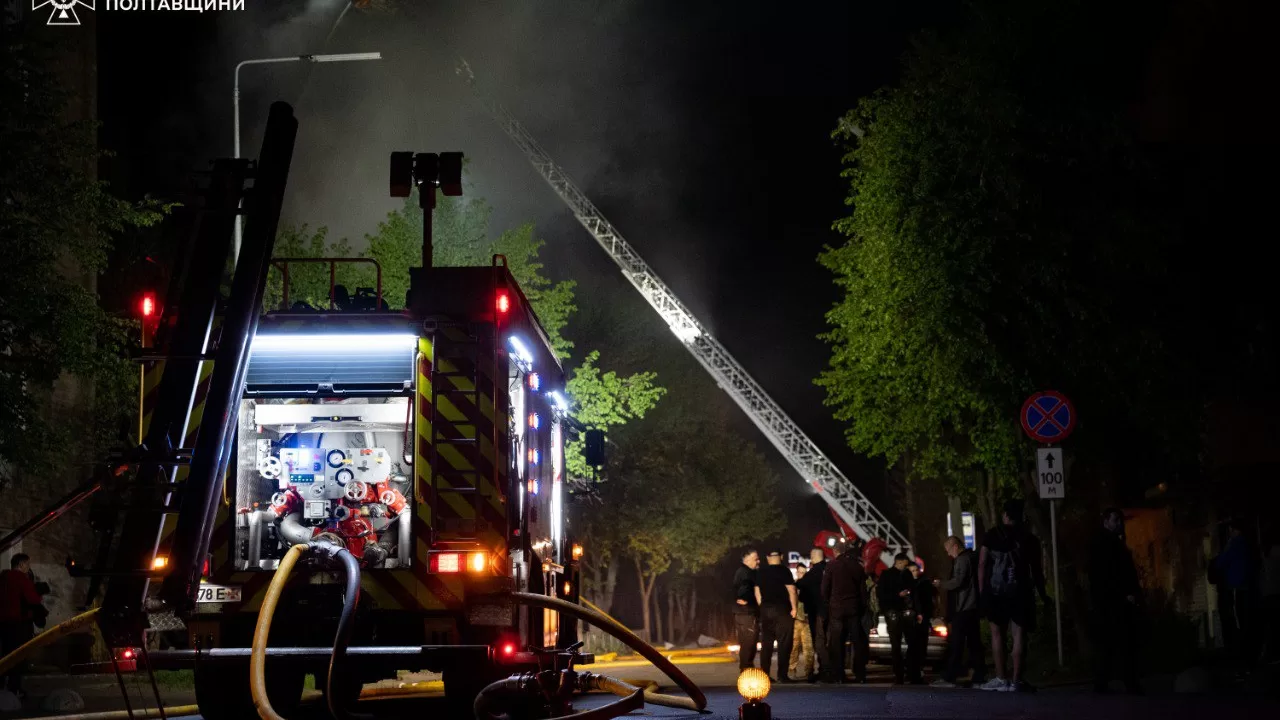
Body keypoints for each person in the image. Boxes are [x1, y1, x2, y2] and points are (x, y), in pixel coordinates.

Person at [978, 499, 1048, 693]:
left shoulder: (992, 535)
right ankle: (1017, 681)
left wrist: (982, 590)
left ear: (1005, 515)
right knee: (1019, 635)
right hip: (1020, 592)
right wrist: (1042, 594)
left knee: (997, 634)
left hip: (996, 592)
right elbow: (1037, 571)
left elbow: (982, 564)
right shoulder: (1030, 539)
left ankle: (1001, 678)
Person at [1088, 508, 1143, 694]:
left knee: (1112, 643)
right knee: (1119, 642)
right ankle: (1124, 682)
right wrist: (1124, 594)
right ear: (1106, 521)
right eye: (1115, 520)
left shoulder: (1109, 542)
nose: (1119, 523)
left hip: (1110, 601)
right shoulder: (1107, 543)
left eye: (1119, 520)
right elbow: (1110, 574)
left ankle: (1106, 682)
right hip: (1112, 602)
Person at [932, 536, 986, 687]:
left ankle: (950, 676)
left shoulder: (962, 560)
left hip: (963, 607)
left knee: (957, 643)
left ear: (955, 546)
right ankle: (979, 674)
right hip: (972, 607)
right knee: (974, 643)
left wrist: (941, 584)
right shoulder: (971, 558)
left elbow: (958, 582)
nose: (948, 554)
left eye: (948, 550)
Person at [1212, 518, 1258, 673]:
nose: (1230, 533)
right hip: (1249, 589)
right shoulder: (1248, 546)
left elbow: (1220, 563)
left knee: (1240, 624)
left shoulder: (1235, 545)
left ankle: (1245, 661)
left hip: (1238, 590)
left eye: (1231, 530)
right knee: (1248, 623)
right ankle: (1251, 659)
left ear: (1236, 530)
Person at [821, 543, 869, 683]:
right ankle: (860, 675)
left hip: (836, 609)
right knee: (857, 641)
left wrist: (828, 604)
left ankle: (839, 675)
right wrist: (861, 608)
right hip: (853, 609)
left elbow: (824, 589)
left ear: (835, 552)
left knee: (836, 642)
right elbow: (863, 592)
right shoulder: (857, 567)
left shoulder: (832, 566)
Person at [0, 554, 46, 696]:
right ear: (21, 564)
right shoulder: (21, 579)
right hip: (19, 624)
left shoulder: (3, 577)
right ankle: (14, 689)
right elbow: (33, 599)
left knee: (5, 655)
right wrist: (40, 593)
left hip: (3, 623)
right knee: (18, 657)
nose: (28, 567)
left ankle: (3, 687)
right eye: (27, 564)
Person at [754, 550, 799, 682]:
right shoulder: (784, 571)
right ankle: (782, 675)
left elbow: (757, 591)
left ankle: (765, 675)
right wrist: (794, 608)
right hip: (782, 610)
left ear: (767, 557)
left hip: (766, 610)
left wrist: (762, 605)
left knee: (766, 643)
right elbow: (792, 590)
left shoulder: (761, 571)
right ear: (781, 557)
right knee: (784, 643)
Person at [876, 553, 913, 684]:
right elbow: (881, 594)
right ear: (899, 562)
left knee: (900, 643)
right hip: (895, 611)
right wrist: (898, 595)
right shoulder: (888, 575)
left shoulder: (902, 574)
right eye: (905, 564)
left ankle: (903, 673)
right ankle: (901, 673)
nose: (906, 567)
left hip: (896, 612)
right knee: (897, 644)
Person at [794, 547, 827, 682]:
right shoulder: (828, 569)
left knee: (819, 642)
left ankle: (824, 671)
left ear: (814, 556)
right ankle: (830, 670)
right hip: (829, 611)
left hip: (816, 611)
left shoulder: (813, 572)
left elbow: (801, 585)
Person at [732, 550, 760, 671]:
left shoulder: (742, 571)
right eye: (756, 559)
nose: (758, 561)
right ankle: (747, 668)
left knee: (746, 643)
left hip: (742, 613)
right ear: (747, 560)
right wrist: (748, 601)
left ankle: (746, 668)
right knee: (749, 642)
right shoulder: (747, 573)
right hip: (747, 613)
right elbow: (743, 590)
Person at [905, 561, 933, 684]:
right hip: (912, 618)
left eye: (916, 570)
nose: (915, 573)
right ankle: (912, 672)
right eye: (912, 571)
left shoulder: (924, 583)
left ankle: (918, 671)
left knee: (921, 645)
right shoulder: (908, 585)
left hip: (922, 617)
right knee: (913, 646)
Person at [788, 565, 816, 679]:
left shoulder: (809, 587)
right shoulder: (793, 586)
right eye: (800, 572)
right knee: (793, 648)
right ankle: (791, 669)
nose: (802, 575)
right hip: (796, 621)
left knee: (808, 649)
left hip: (807, 621)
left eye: (804, 573)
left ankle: (809, 671)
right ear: (797, 573)